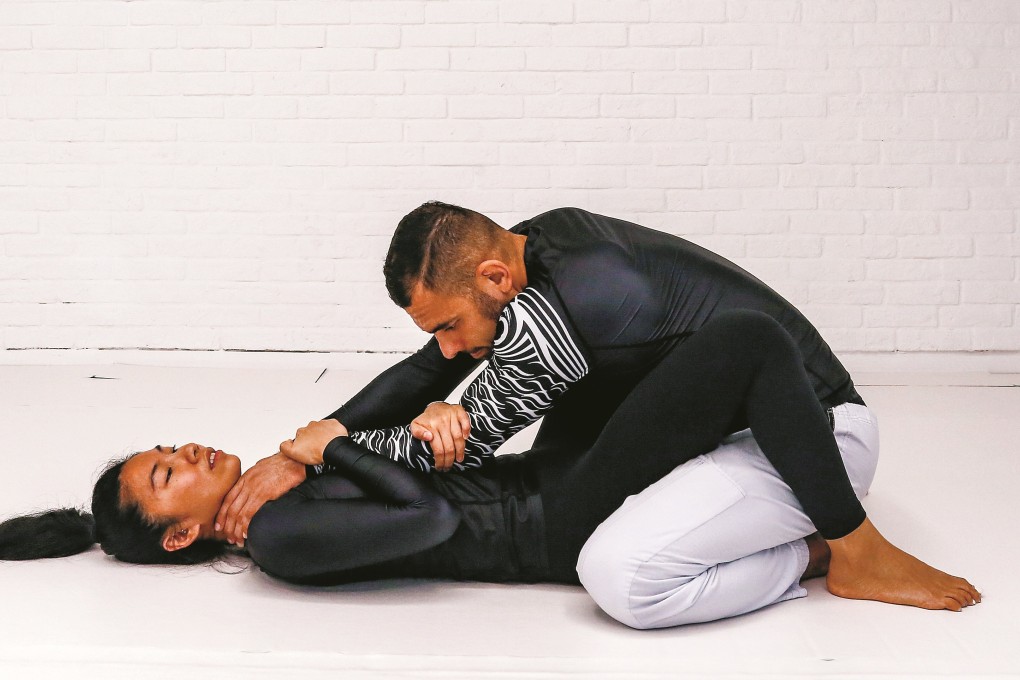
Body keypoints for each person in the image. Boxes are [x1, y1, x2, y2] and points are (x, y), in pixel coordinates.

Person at [4, 312, 976, 627]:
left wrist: (421, 399)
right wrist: (328, 448)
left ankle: (795, 475)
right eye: (169, 476)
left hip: (546, 478)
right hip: (556, 520)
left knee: (586, 348)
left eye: (171, 447)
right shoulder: (279, 537)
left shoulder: (274, 498)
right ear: (183, 532)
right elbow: (429, 523)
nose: (189, 454)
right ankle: (840, 547)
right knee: (745, 343)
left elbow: (406, 443)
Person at [274, 202, 977, 614]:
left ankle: (853, 547)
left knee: (624, 579)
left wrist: (324, 451)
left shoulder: (557, 322)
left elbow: (462, 446)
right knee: (581, 515)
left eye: (449, 325)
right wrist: (328, 433)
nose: (451, 347)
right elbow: (436, 366)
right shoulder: (534, 246)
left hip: (811, 443)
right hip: (735, 425)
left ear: (492, 278)